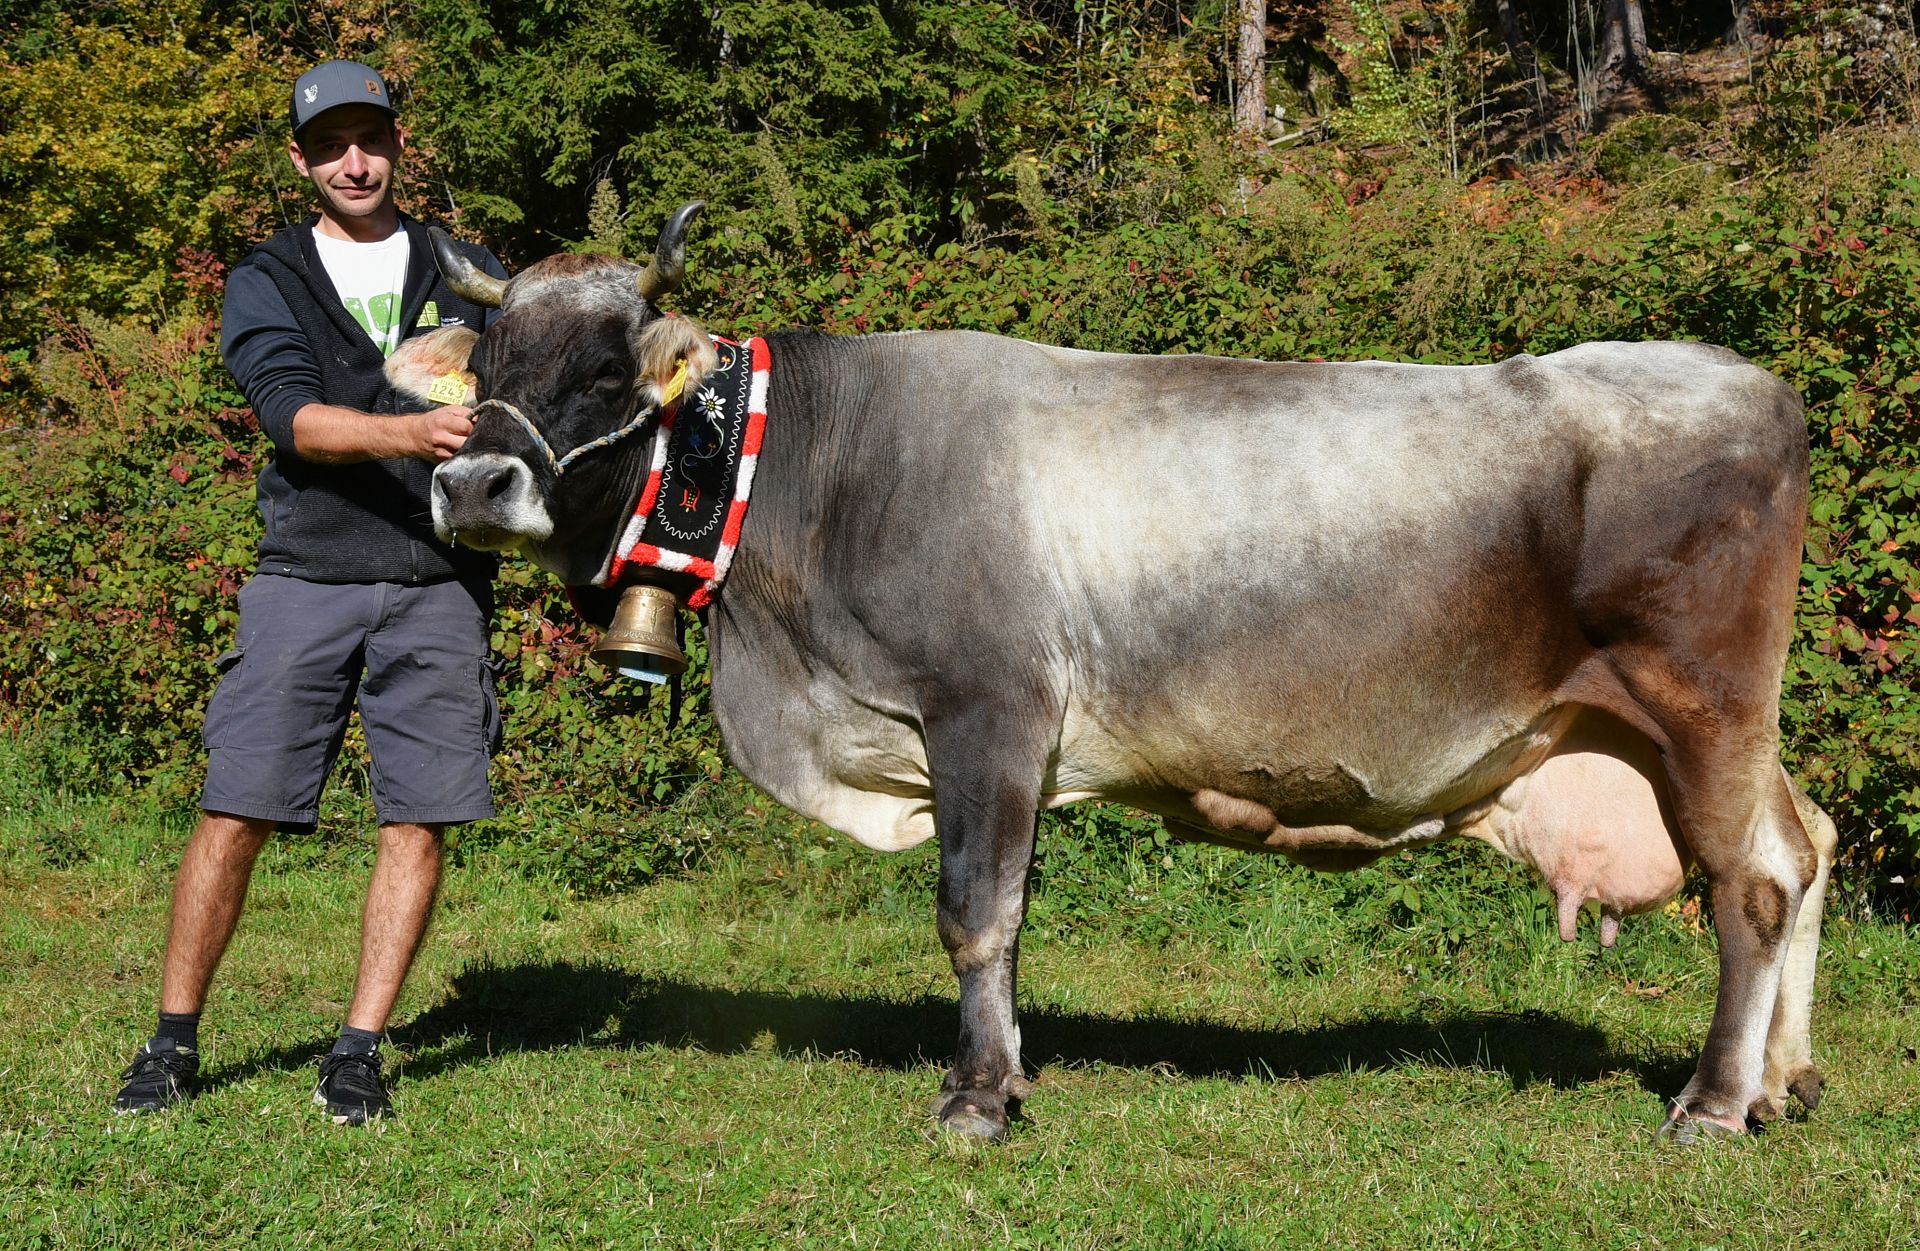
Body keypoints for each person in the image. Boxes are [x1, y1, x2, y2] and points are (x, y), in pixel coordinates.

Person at [111, 60, 509, 1125]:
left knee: (419, 820)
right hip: (307, 575)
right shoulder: (268, 276)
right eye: (330, 142)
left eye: (370, 137)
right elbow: (292, 418)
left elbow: (532, 386)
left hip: (441, 583)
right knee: (236, 807)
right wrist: (412, 432)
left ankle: (359, 1051)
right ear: (301, 159)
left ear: (396, 143)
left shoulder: (467, 266)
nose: (354, 161)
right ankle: (171, 1045)